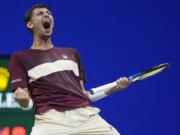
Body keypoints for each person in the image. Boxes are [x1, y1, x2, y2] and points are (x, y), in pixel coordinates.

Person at [9, 4, 131, 135]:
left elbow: (84, 95)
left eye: (49, 13)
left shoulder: (72, 53)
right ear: (30, 24)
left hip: (86, 118)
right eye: (40, 14)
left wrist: (115, 87)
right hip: (51, 122)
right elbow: (27, 104)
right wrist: (23, 101)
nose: (46, 15)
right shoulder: (20, 57)